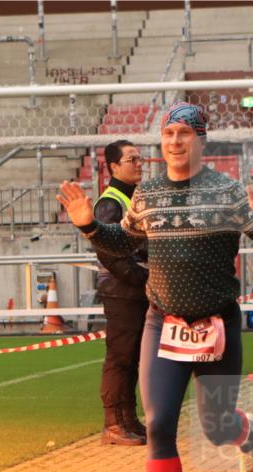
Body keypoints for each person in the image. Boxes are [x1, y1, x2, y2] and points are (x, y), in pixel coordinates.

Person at [57, 101, 253, 472]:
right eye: (168, 135)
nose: (175, 142)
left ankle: (246, 433)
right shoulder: (147, 193)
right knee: (160, 423)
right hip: (161, 323)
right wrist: (88, 225)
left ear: (201, 140)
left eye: (185, 133)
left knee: (215, 427)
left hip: (217, 325)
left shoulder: (225, 192)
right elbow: (123, 240)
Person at [95, 140, 149, 447]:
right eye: (132, 159)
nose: (139, 163)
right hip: (121, 290)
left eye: (140, 158)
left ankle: (128, 420)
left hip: (134, 287)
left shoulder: (133, 197)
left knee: (132, 358)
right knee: (119, 357)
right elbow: (108, 251)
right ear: (114, 166)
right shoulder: (110, 202)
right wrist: (139, 276)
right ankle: (113, 423)